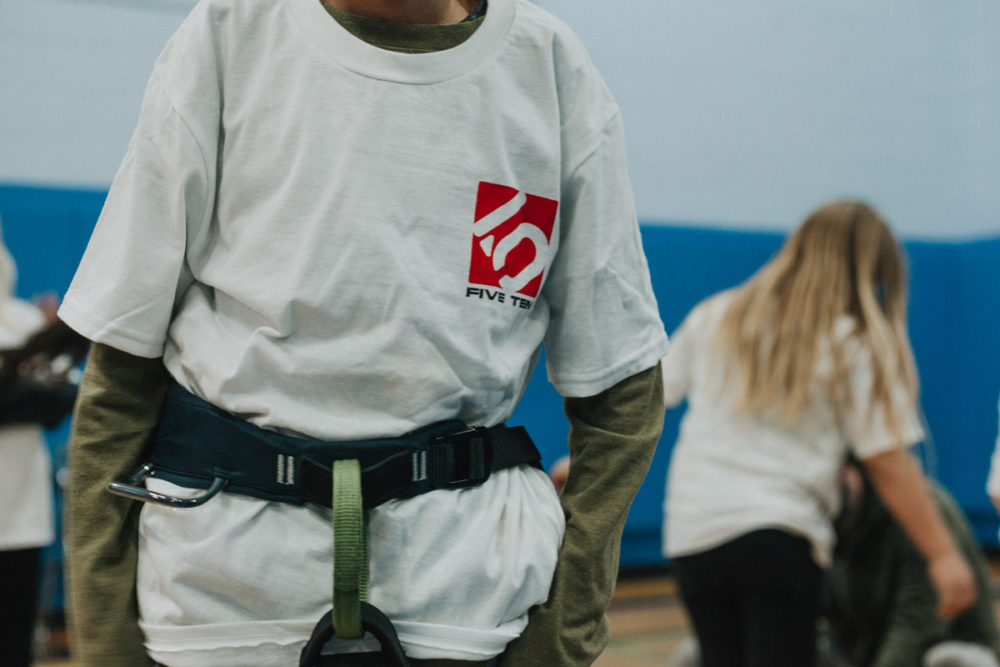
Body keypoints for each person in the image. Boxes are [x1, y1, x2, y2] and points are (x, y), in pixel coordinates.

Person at [57, 1, 669, 666]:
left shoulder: (549, 67)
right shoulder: (230, 34)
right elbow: (119, 373)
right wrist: (106, 643)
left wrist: (563, 634)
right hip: (222, 607)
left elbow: (623, 391)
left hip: (470, 607)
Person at [660, 200, 977, 667]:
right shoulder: (854, 340)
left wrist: (582, 459)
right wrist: (945, 555)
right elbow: (886, 459)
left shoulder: (716, 315)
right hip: (780, 533)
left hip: (691, 531)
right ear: (870, 269)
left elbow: (643, 402)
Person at [823, 459, 1000, 667]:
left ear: (851, 466)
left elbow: (916, 631)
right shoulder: (823, 520)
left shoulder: (918, 513)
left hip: (948, 650)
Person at [0, 230, 76, 667]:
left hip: (22, 513)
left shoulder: (25, 320)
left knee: (14, 638)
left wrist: (51, 342)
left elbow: (60, 400)